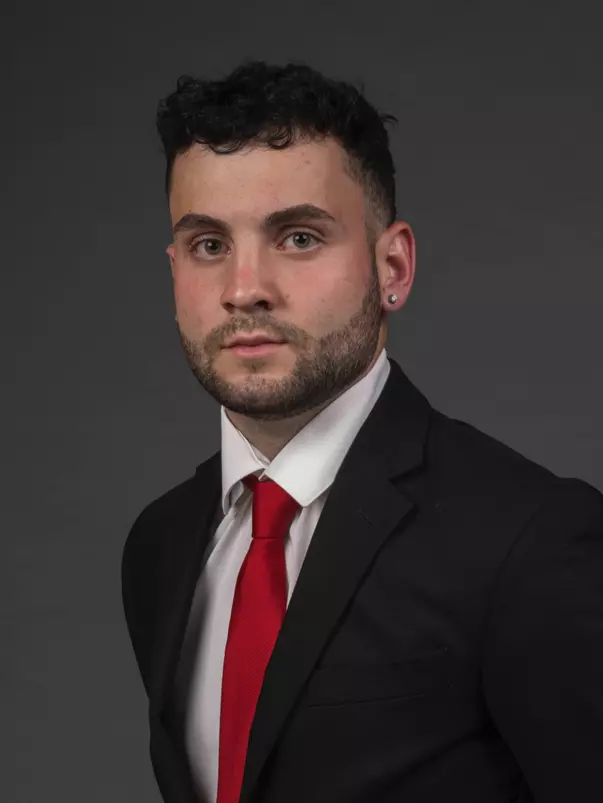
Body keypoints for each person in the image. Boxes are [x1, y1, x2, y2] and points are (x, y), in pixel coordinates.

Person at [121, 60, 603, 803]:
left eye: (299, 237)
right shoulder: (158, 545)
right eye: (208, 244)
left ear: (393, 267)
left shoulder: (530, 541)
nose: (244, 286)